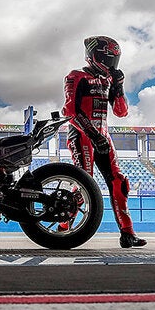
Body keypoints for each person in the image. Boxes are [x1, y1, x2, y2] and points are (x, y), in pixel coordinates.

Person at [62, 36, 147, 248]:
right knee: (84, 183)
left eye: (114, 60)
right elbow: (69, 111)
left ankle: (127, 233)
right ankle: (63, 228)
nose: (111, 64)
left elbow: (121, 112)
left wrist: (119, 87)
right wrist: (92, 134)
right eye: (107, 59)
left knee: (119, 182)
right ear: (93, 56)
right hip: (81, 134)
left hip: (103, 134)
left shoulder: (108, 81)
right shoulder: (75, 76)